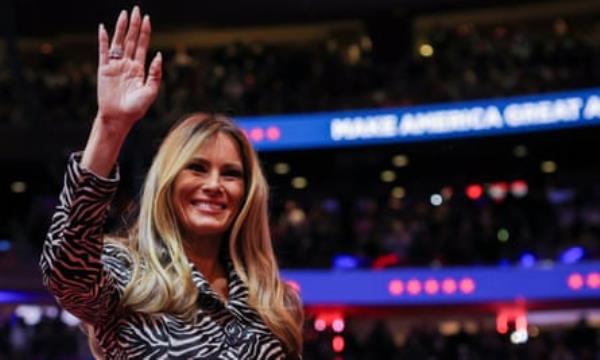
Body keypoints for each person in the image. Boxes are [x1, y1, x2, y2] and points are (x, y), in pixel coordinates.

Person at [39, 6, 303, 359]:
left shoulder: (273, 300)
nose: (214, 184)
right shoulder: (125, 273)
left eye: (230, 173)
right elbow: (63, 266)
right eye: (196, 168)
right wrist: (110, 126)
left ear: (248, 192)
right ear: (167, 182)